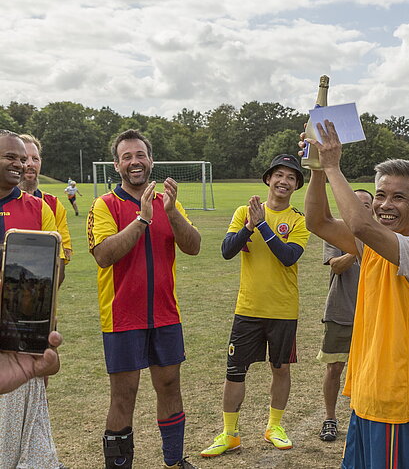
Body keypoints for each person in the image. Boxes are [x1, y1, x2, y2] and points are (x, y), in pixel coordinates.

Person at [303, 120, 409, 469]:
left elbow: (360, 224)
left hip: (395, 403)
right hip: (366, 396)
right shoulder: (371, 248)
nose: (385, 204)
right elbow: (317, 222)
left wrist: (334, 165)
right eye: (380, 195)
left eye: (399, 197)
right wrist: (319, 169)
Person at [87, 129, 201, 469]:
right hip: (122, 316)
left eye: (140, 155)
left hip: (165, 314)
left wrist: (171, 212)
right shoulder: (105, 204)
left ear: (150, 160)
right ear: (116, 165)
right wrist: (142, 218)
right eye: (127, 157)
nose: (134, 162)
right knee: (124, 395)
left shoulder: (171, 203)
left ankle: (174, 460)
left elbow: (193, 246)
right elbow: (104, 254)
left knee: (169, 385)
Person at [201, 153, 310, 457]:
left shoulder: (298, 220)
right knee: (235, 371)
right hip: (247, 308)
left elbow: (289, 256)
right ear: (268, 179)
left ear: (296, 185)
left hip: (283, 309)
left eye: (291, 177)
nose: (284, 181)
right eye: (279, 175)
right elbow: (226, 250)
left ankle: (274, 426)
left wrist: (262, 226)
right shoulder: (242, 212)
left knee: (281, 368)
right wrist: (250, 225)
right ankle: (230, 434)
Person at [0, 130, 65, 468]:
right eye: (11, 156)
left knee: (25, 430)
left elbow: (59, 274)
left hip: (20, 337)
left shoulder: (40, 209)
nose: (20, 163)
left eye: (23, 157)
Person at [317, 188, 374, 443]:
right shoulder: (337, 234)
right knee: (335, 368)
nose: (362, 208)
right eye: (357, 204)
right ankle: (329, 419)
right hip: (340, 312)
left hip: (372, 317)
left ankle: (362, 418)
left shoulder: (381, 236)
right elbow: (337, 267)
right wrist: (357, 248)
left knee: (368, 372)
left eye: (367, 206)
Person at [18, 134, 73, 264]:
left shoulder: (53, 204)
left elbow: (65, 252)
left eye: (35, 159)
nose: (30, 164)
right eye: (24, 159)